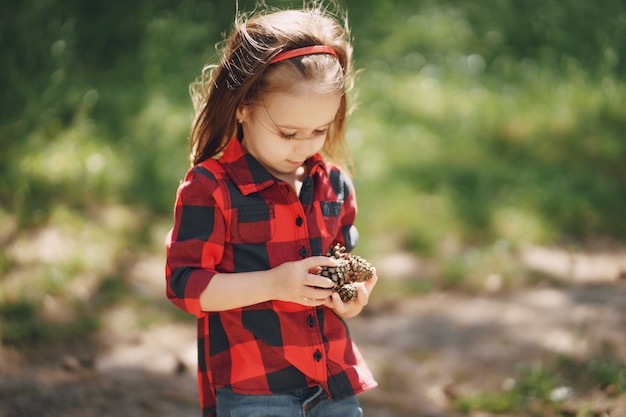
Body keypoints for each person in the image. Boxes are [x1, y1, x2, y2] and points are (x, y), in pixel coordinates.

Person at [165, 4, 377, 417]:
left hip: (333, 376)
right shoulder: (211, 188)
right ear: (242, 106)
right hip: (254, 387)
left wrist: (355, 294)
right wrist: (276, 284)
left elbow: (342, 264)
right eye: (288, 133)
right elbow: (185, 285)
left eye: (320, 130)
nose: (305, 146)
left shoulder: (333, 185)